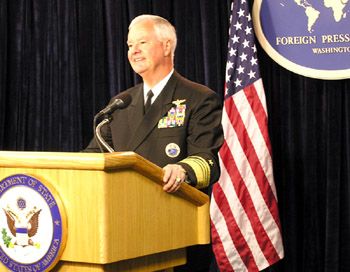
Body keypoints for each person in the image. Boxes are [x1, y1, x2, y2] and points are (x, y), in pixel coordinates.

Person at [84, 14, 223, 271]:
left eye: (142, 43)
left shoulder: (198, 98)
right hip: (124, 231)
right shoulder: (120, 104)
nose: (133, 51)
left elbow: (208, 160)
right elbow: (94, 157)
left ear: (167, 46)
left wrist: (183, 170)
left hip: (175, 231)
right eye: (129, 45)